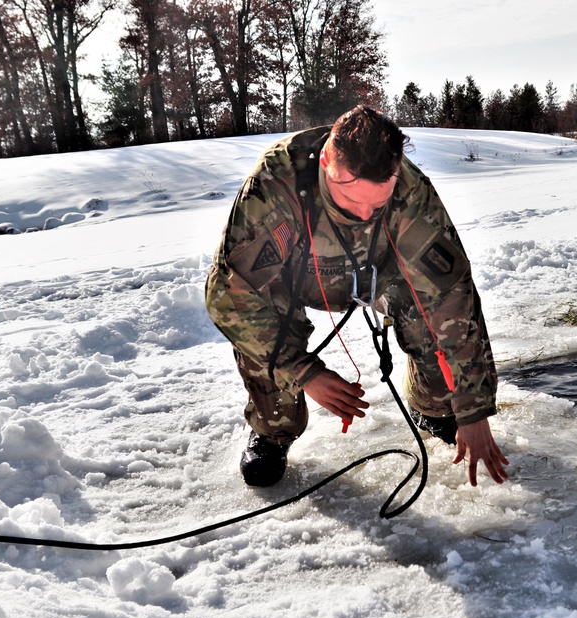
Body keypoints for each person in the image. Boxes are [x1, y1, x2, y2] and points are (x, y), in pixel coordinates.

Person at [205, 105, 509, 489]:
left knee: (433, 318)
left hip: (379, 277)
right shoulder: (276, 184)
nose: (366, 215)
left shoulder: (411, 190)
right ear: (328, 160)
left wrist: (472, 410)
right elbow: (229, 295)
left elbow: (452, 296)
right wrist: (305, 372)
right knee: (260, 322)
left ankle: (431, 407)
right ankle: (272, 431)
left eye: (378, 205)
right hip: (292, 283)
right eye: (352, 200)